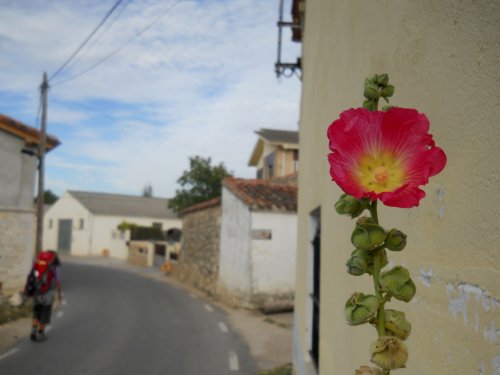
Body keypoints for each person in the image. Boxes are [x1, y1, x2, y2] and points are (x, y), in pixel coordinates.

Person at [30, 250, 62, 342]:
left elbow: (33, 277)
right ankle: (41, 333)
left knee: (36, 312)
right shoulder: (54, 268)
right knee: (45, 312)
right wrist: (59, 295)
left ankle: (33, 332)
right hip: (48, 294)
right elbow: (58, 282)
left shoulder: (37, 265)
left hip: (37, 292)